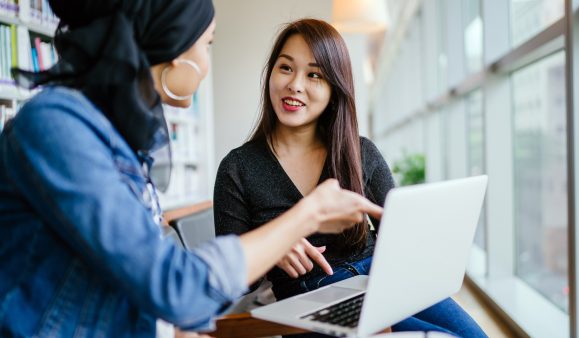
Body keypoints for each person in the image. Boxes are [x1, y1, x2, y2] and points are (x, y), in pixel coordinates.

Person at [0, 1, 383, 337]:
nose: (204, 64)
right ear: (170, 44)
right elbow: (172, 285)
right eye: (207, 44)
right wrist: (306, 215)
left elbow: (134, 280)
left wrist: (166, 328)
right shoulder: (57, 128)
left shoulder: (111, 137)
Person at [214, 19, 487, 337]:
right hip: (314, 294)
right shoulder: (237, 168)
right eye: (286, 68)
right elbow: (231, 281)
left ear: (334, 89)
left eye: (314, 75)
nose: (295, 85)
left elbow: (398, 235)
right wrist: (275, 244)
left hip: (385, 278)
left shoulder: (360, 151)